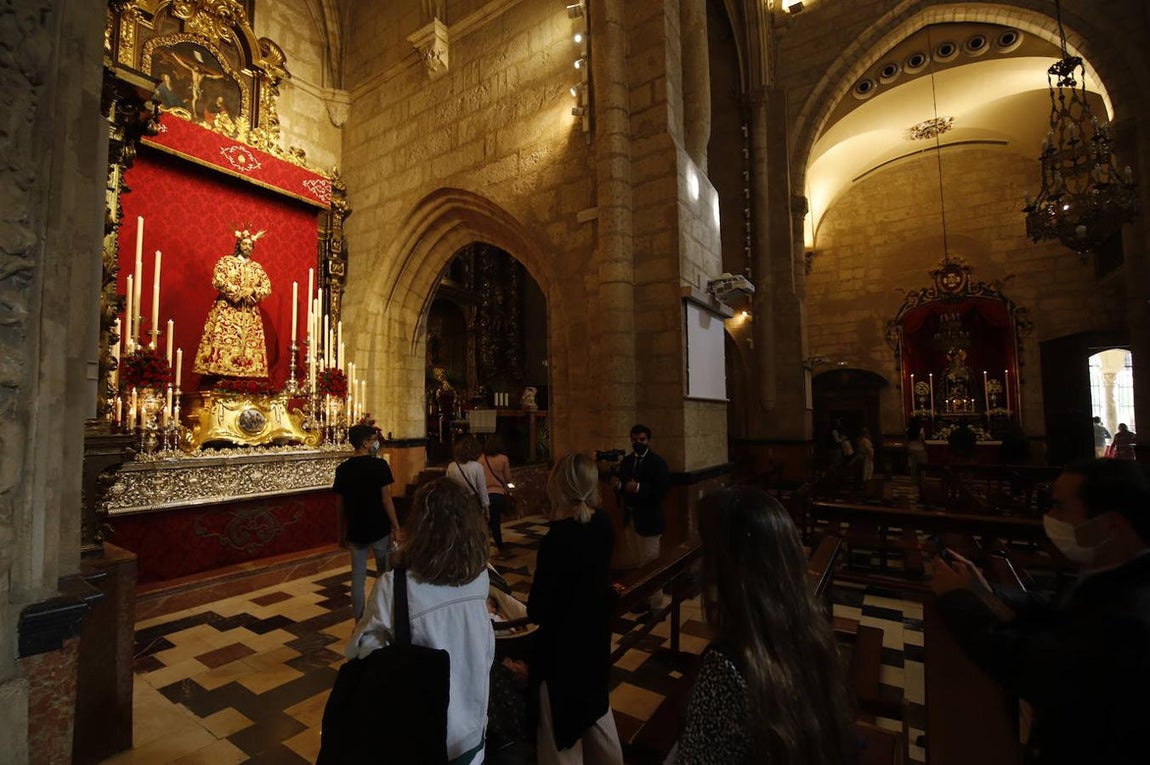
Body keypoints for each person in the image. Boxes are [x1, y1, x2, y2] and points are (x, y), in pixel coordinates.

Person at [931, 459, 1150, 765]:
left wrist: (957, 599)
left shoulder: (1131, 614)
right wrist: (983, 591)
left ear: (1110, 525)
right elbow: (1054, 613)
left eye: (1060, 507)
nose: (1049, 517)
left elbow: (1030, 665)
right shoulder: (1114, 576)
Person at [674, 486, 855, 764]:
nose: (699, 566)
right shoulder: (811, 631)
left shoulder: (726, 666)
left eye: (706, 552)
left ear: (729, 569)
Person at [346, 478, 494, 764]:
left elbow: (359, 652)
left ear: (419, 527)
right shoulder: (480, 577)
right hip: (471, 726)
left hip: (420, 733)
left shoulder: (395, 586)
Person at [528, 453, 623, 765]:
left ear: (558, 485)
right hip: (594, 643)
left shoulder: (557, 539)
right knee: (596, 714)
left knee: (561, 745)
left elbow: (537, 610)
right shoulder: (603, 524)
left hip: (561, 655)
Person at [332, 424, 403, 621]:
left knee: (357, 577)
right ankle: (384, 616)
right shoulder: (379, 466)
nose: (375, 443)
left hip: (356, 528)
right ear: (365, 443)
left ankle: (359, 620)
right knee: (384, 574)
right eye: (373, 440)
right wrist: (396, 527)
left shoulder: (343, 469)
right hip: (379, 527)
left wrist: (341, 532)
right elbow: (386, 499)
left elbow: (340, 505)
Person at [192, 229, 272, 378]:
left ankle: (246, 377)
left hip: (249, 314)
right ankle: (219, 375)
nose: (247, 247)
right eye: (244, 244)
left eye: (250, 245)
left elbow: (267, 288)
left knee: (248, 348)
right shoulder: (226, 262)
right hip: (227, 310)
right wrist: (238, 291)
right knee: (223, 343)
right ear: (239, 245)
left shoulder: (257, 268)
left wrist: (253, 291)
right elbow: (218, 280)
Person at [611, 425, 671, 607]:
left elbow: (661, 491)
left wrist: (638, 488)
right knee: (638, 562)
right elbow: (623, 486)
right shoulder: (627, 461)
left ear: (648, 440)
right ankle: (644, 599)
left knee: (651, 564)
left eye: (642, 439)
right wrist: (618, 486)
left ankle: (656, 605)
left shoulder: (658, 463)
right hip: (630, 518)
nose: (638, 443)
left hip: (649, 520)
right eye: (635, 440)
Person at [482, 434, 513, 558]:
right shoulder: (503, 459)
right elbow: (508, 478)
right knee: (495, 521)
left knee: (487, 522)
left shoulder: (481, 459)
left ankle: (484, 547)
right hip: (498, 494)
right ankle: (500, 547)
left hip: (485, 494)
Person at [447, 436, 491, 519]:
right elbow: (482, 489)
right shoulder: (477, 467)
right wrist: (486, 509)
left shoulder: (452, 466)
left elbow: (448, 488)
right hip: (472, 502)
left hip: (456, 502)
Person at [906, 417, 928, 482]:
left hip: (911, 448)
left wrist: (908, 448)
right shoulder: (921, 429)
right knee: (923, 466)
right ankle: (923, 479)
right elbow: (922, 439)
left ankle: (913, 480)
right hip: (920, 449)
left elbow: (906, 440)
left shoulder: (908, 429)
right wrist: (925, 446)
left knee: (913, 466)